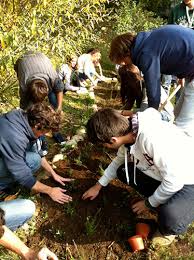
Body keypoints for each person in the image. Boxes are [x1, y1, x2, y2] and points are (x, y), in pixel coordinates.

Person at [82, 107, 194, 246]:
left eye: (104, 145)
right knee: (123, 171)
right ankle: (161, 202)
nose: (105, 148)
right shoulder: (128, 131)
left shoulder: (151, 139)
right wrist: (98, 186)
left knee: (171, 218)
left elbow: (174, 182)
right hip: (166, 173)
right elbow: (118, 161)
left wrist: (148, 204)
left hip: (188, 179)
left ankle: (167, 230)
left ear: (113, 140)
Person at [109, 25, 194, 137]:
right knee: (178, 113)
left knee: (183, 126)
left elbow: (153, 93)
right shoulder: (145, 41)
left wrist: (149, 120)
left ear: (127, 53)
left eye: (123, 61)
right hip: (190, 71)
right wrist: (182, 73)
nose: (124, 64)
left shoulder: (146, 53)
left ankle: (180, 151)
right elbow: (175, 49)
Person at [0, 103, 73, 204]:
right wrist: (50, 191)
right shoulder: (15, 137)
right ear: (37, 125)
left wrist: (53, 173)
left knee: (35, 159)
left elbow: (37, 153)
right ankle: (2, 186)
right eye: (43, 133)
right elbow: (22, 174)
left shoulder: (24, 119)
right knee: (33, 160)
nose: (42, 136)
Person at [14, 52, 65, 144]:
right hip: (22, 62)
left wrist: (59, 107)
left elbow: (60, 89)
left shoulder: (52, 78)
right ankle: (37, 137)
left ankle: (56, 132)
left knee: (55, 101)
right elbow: (24, 108)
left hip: (42, 60)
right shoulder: (24, 85)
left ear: (47, 88)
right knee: (31, 111)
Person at [162, 0, 194, 101]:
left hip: (190, 55)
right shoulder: (175, 10)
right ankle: (163, 111)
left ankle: (179, 109)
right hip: (175, 52)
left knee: (185, 86)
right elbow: (169, 32)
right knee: (166, 81)